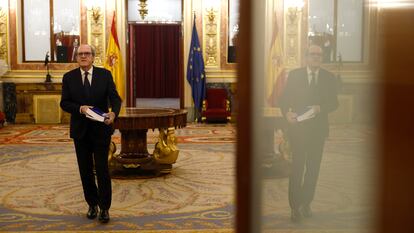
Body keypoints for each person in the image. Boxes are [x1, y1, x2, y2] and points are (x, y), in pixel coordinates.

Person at [60, 44, 122, 223]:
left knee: (102, 169)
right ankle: (92, 204)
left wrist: (113, 113)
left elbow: (115, 99)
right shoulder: (69, 77)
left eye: (87, 54)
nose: (83, 56)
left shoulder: (105, 75)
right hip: (80, 131)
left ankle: (104, 208)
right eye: (80, 54)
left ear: (93, 57)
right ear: (76, 57)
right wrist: (80, 108)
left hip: (101, 130)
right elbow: (64, 103)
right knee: (85, 170)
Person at [278, 45, 338, 222]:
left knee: (313, 169)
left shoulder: (329, 78)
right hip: (298, 130)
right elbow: (284, 99)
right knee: (297, 168)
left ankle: (306, 203)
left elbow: (334, 103)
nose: (316, 57)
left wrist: (321, 108)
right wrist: (286, 113)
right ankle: (294, 207)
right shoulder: (295, 75)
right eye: (313, 54)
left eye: (319, 55)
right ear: (306, 57)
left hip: (318, 132)